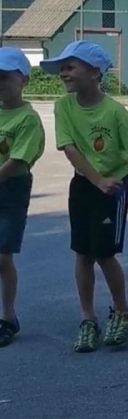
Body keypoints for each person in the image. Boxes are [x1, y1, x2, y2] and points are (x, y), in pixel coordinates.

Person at [43, 41, 128, 352]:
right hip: (85, 185)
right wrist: (95, 179)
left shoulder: (115, 111)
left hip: (113, 188)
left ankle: (122, 311)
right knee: (82, 253)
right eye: (61, 67)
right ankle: (87, 318)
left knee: (104, 254)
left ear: (94, 72)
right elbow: (69, 148)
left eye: (70, 66)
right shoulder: (63, 106)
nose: (63, 73)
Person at [0, 48, 44, 348]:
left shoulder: (28, 119)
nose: (0, 82)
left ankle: (8, 316)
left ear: (24, 80)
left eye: (5, 77)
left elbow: (18, 161)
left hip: (11, 190)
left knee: (3, 256)